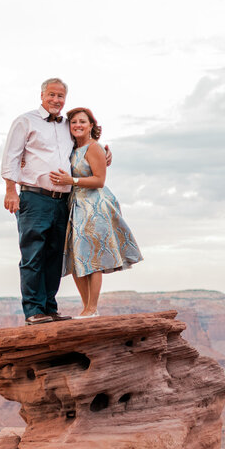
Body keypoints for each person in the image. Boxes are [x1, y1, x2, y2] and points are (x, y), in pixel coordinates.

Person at [48, 107, 142, 318]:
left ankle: (93, 307)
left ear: (91, 125)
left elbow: (99, 180)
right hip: (75, 206)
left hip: (94, 206)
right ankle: (86, 307)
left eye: (82, 121)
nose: (78, 125)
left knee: (92, 257)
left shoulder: (94, 148)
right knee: (76, 256)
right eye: (73, 122)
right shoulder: (71, 148)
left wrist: (71, 180)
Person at [1, 78, 75, 325]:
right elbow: (11, 155)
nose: (56, 100)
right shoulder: (26, 121)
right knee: (33, 254)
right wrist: (11, 190)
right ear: (42, 95)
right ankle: (33, 310)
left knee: (55, 255)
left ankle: (49, 307)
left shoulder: (67, 125)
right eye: (52, 95)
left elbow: (82, 148)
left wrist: (104, 155)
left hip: (62, 200)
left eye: (61, 96)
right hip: (34, 197)